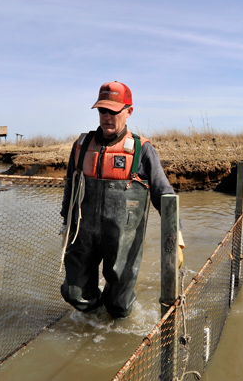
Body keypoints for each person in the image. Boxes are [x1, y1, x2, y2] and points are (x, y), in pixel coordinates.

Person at [60, 81, 183, 318]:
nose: (107, 117)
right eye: (102, 111)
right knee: (74, 292)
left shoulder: (142, 150)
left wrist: (175, 235)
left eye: (113, 111)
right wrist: (66, 221)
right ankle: (94, 321)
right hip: (83, 233)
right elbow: (70, 185)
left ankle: (112, 329)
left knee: (119, 304)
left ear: (129, 111)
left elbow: (163, 193)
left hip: (123, 238)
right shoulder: (81, 146)